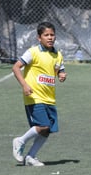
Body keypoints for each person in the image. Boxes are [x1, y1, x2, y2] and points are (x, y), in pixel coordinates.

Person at [12, 22, 67, 166]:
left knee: (47, 131)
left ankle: (30, 157)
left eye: (52, 35)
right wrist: (24, 85)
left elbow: (59, 69)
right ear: (39, 38)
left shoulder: (57, 54)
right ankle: (20, 141)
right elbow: (16, 67)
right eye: (46, 35)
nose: (50, 38)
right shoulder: (33, 52)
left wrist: (61, 74)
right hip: (34, 96)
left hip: (50, 98)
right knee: (43, 126)